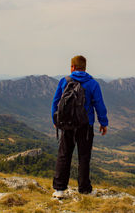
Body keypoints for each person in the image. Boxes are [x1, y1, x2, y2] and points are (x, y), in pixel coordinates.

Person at [51, 55, 108, 198]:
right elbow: (99, 105)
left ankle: (59, 190)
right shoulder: (93, 84)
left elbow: (56, 102)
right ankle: (84, 189)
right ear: (85, 67)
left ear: (72, 67)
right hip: (85, 126)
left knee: (64, 155)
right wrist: (103, 123)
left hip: (67, 125)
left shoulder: (64, 81)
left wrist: (56, 119)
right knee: (83, 157)